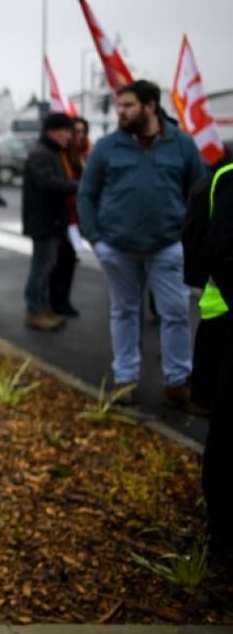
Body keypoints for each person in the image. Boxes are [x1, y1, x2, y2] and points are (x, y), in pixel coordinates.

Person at [78, 79, 205, 408]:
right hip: (118, 249)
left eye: (128, 105)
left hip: (167, 247)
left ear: (150, 106)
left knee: (176, 314)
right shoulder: (107, 147)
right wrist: (96, 239)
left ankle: (178, 382)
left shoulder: (182, 145)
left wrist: (190, 240)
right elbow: (87, 194)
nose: (121, 111)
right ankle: (125, 380)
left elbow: (200, 193)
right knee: (124, 313)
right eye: (119, 105)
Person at [184, 149, 233, 564]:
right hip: (227, 325)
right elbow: (221, 251)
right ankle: (222, 539)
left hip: (223, 321)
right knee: (226, 431)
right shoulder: (230, 179)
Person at [21, 113, 78, 331]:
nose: (68, 135)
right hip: (44, 221)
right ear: (51, 131)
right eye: (65, 130)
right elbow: (48, 184)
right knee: (41, 268)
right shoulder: (42, 154)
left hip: (51, 221)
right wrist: (75, 185)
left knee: (47, 266)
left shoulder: (52, 152)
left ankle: (43, 308)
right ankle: (35, 310)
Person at [49, 116, 91, 317]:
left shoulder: (84, 155)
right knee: (59, 262)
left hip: (76, 216)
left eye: (82, 132)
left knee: (68, 261)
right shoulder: (61, 155)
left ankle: (63, 300)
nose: (78, 136)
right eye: (75, 131)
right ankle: (56, 301)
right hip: (63, 216)